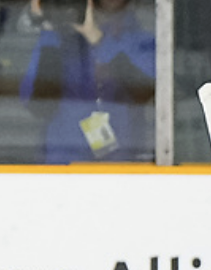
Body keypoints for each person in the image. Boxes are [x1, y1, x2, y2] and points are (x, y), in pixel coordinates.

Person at [18, 0, 154, 162]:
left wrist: (98, 40)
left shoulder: (140, 38)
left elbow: (147, 93)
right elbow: (38, 105)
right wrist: (50, 26)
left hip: (119, 166)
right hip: (62, 165)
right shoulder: (55, 41)